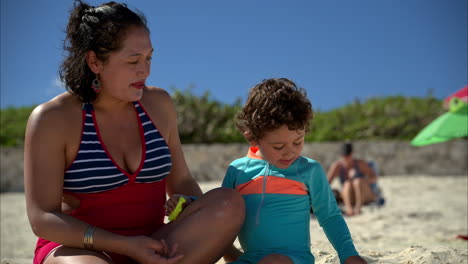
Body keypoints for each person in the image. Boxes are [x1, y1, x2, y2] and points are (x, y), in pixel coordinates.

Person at [23, 1, 245, 264]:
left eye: (149, 57)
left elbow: (181, 180)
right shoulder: (52, 119)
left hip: (152, 244)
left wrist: (215, 236)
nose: (145, 70)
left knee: (227, 203)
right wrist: (126, 246)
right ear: (95, 61)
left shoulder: (159, 105)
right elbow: (42, 218)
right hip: (83, 249)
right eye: (133, 61)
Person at [221, 78, 367, 264]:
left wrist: (349, 254)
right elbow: (221, 214)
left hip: (293, 259)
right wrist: (189, 204)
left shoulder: (309, 170)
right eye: (278, 146)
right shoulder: (238, 170)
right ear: (252, 138)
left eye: (297, 142)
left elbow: (330, 216)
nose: (290, 152)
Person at [327, 143, 379, 216]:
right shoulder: (337, 166)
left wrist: (360, 179)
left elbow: (374, 178)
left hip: (365, 195)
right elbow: (326, 184)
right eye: (344, 156)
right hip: (350, 197)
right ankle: (349, 208)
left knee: (357, 182)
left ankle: (358, 207)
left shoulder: (360, 164)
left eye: (348, 156)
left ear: (352, 154)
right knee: (347, 184)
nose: (346, 159)